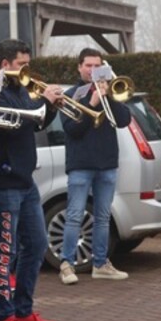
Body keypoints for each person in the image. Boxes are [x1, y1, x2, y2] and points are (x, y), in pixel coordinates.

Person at [0, 38, 60, 321]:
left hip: (24, 180)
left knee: (36, 245)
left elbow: (35, 124)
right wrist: (45, 102)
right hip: (0, 182)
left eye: (27, 64)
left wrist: (51, 107)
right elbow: (15, 120)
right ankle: (4, 319)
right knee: (3, 253)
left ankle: (23, 311)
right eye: (21, 65)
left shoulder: (19, 88)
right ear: (5, 64)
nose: (26, 70)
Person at [58, 48, 132, 284]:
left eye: (97, 66)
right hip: (80, 164)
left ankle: (100, 264)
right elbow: (72, 129)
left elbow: (124, 120)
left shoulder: (109, 92)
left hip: (107, 163)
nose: (92, 70)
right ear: (79, 67)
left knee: (102, 217)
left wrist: (109, 96)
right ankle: (67, 264)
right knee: (74, 215)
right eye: (88, 66)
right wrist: (91, 103)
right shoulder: (71, 95)